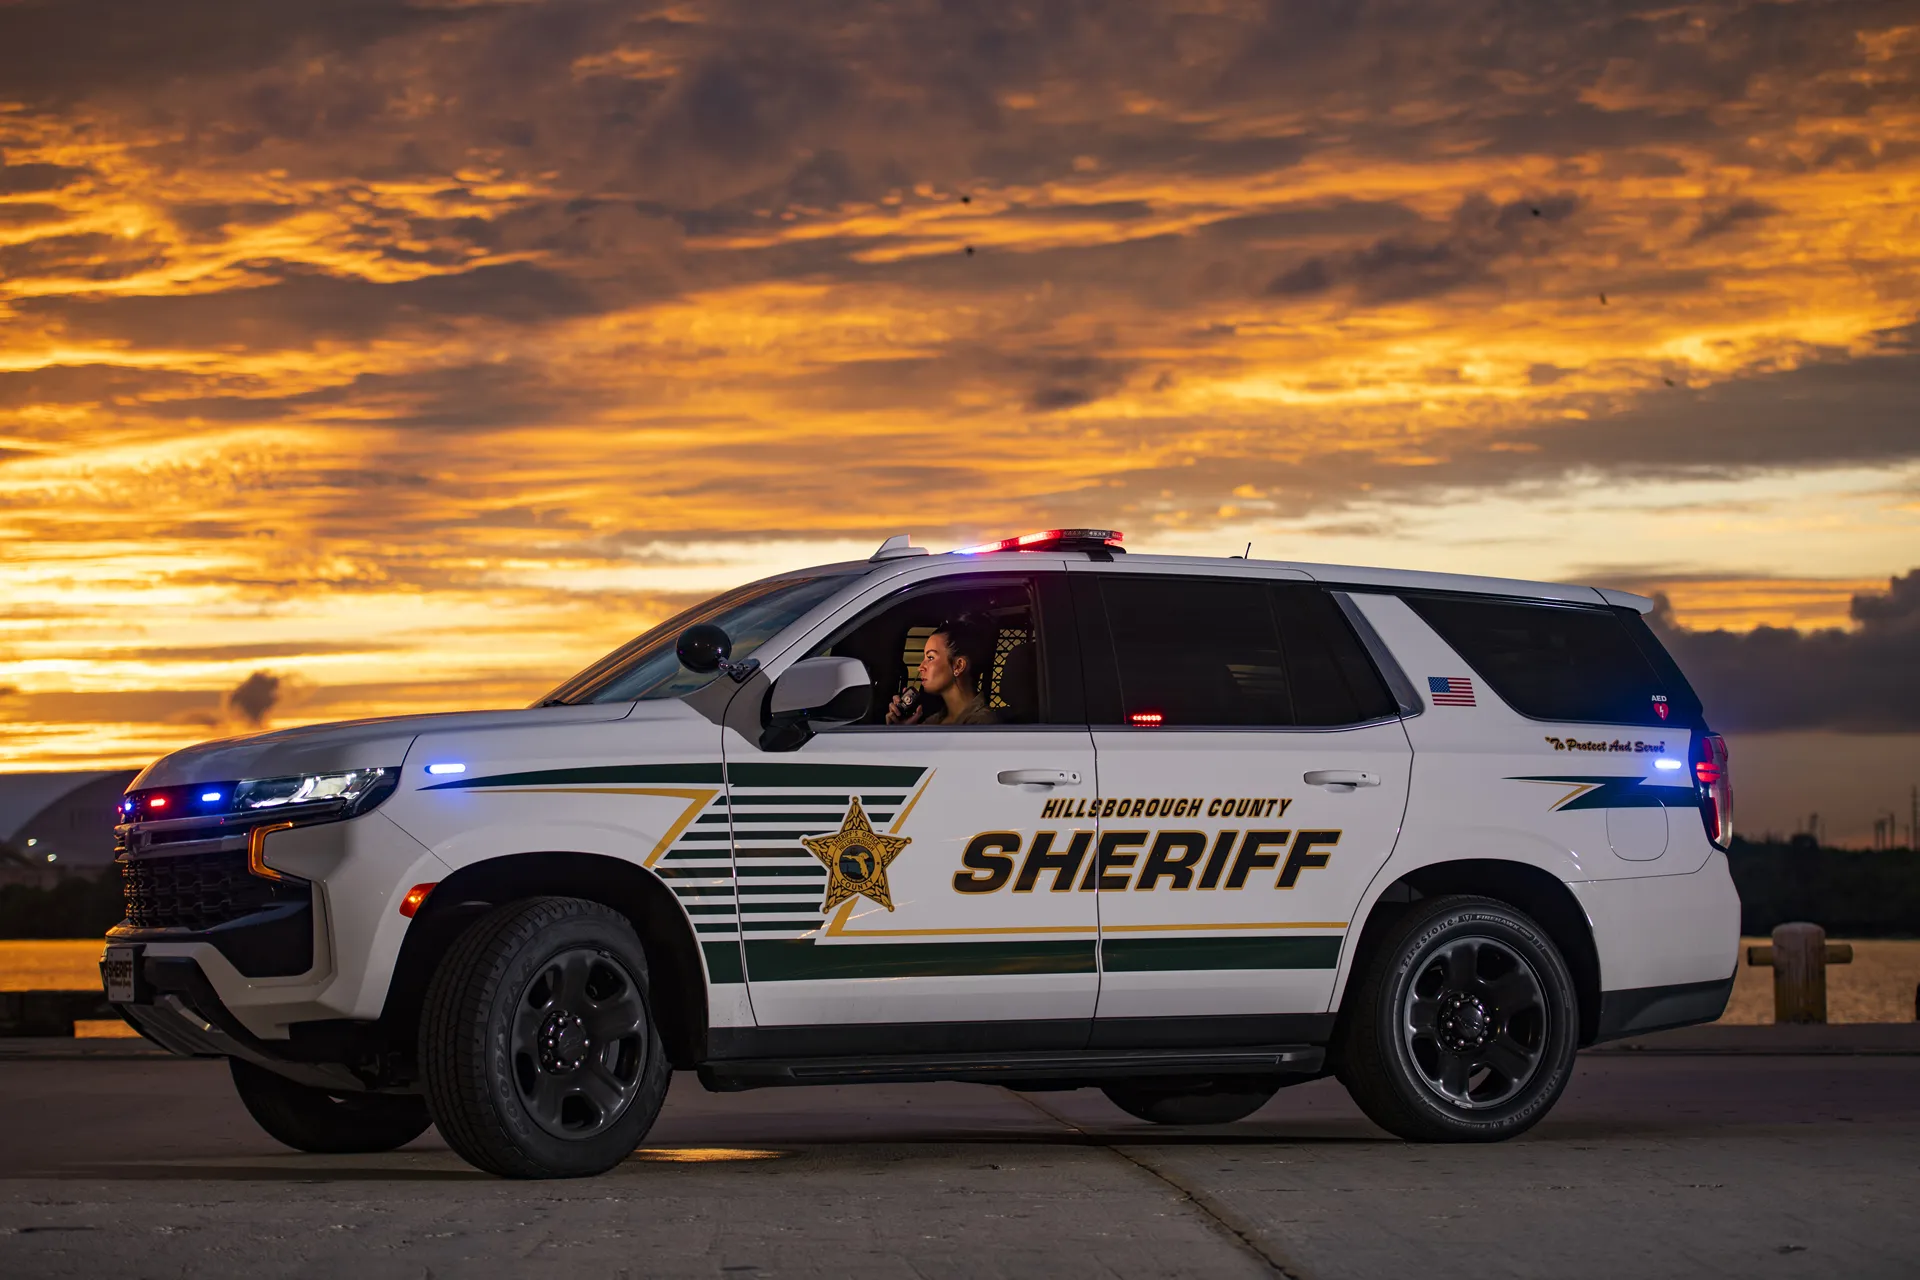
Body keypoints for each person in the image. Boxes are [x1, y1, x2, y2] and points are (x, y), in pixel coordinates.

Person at [885, 617, 999, 726]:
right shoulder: (936, 720)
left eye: (930, 658)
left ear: (958, 666)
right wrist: (902, 728)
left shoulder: (982, 724)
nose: (920, 667)